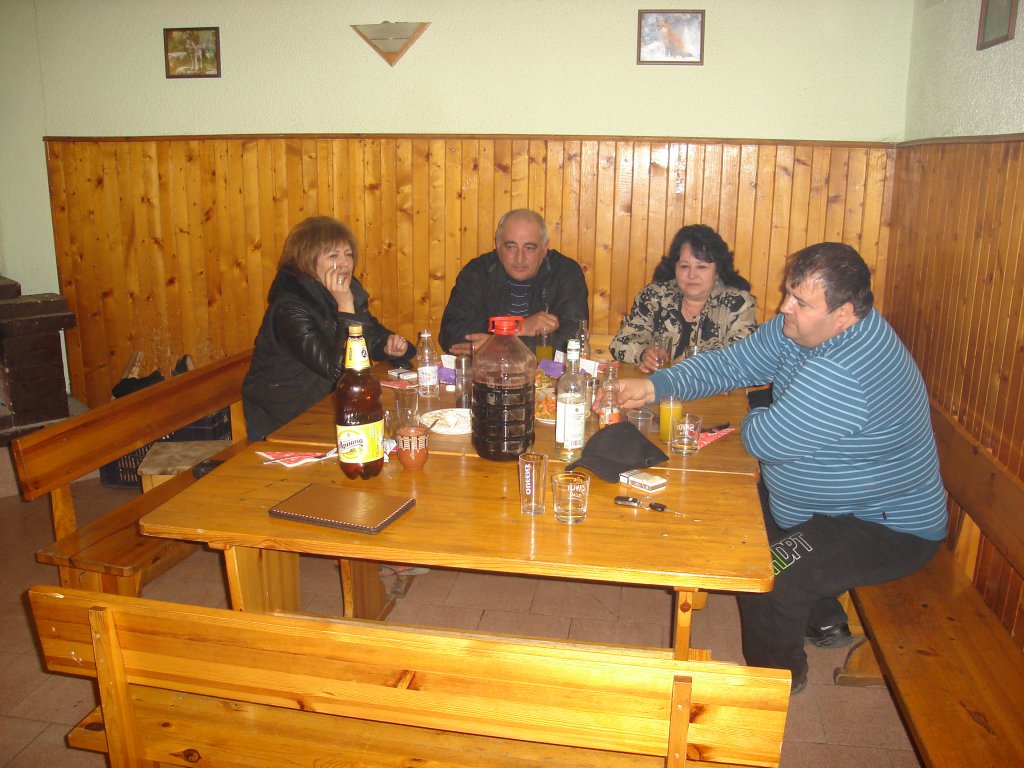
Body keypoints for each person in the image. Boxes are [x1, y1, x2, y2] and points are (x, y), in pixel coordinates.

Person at [609, 242, 946, 693]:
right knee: (738, 518)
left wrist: (759, 413)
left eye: (800, 302)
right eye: (789, 293)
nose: (784, 306)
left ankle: (777, 679)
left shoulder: (846, 370)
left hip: (884, 524)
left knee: (767, 571)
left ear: (844, 314)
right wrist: (654, 387)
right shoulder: (802, 330)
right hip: (825, 502)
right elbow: (733, 364)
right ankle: (820, 613)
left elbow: (764, 439)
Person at [242, 216, 414, 441]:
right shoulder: (290, 307)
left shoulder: (341, 291)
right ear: (306, 261)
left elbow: (370, 332)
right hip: (285, 419)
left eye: (348, 254)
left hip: (327, 407)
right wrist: (345, 307)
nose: (344, 263)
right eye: (333, 256)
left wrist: (388, 346)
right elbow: (338, 369)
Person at [438, 209, 589, 356]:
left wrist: (496, 344)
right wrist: (520, 327)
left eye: (529, 248)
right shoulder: (477, 272)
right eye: (510, 247)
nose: (519, 258)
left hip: (544, 372)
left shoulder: (565, 273)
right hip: (486, 370)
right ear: (498, 245)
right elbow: (451, 335)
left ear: (544, 249)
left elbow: (574, 340)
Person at [610, 224, 757, 373]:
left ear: (717, 271)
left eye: (701, 267)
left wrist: (694, 360)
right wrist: (644, 354)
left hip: (712, 387)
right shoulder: (654, 297)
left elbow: (742, 356)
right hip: (656, 386)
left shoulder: (738, 304)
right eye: (684, 266)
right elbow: (621, 341)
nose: (692, 275)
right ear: (675, 268)